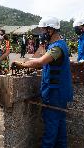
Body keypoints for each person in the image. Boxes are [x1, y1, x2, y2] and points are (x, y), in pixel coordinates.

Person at [12, 16, 73, 147]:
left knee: (51, 127)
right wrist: (29, 61)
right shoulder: (57, 45)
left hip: (55, 93)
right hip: (59, 92)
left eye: (43, 30)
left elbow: (40, 62)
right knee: (60, 125)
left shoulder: (57, 48)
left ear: (51, 30)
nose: (42, 34)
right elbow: (41, 57)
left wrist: (22, 64)